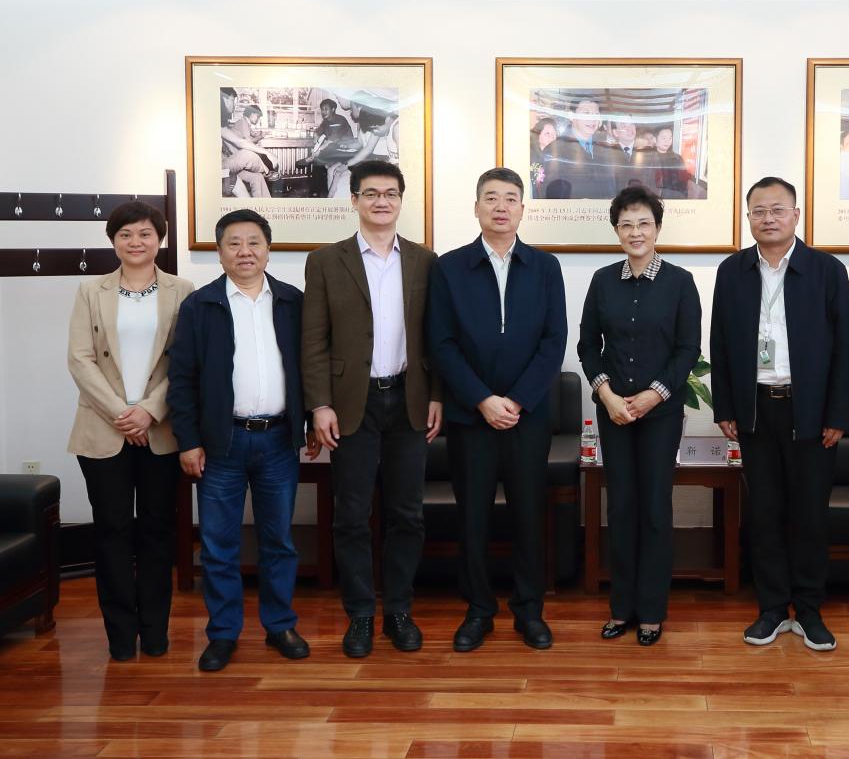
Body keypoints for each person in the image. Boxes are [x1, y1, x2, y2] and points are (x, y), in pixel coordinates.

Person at [302, 160, 444, 658]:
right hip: (349, 404)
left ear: (401, 201)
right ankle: (360, 614)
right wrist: (319, 404)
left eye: (390, 194)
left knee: (407, 514)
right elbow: (313, 341)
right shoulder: (325, 261)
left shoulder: (426, 261)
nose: (381, 201)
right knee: (351, 515)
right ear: (354, 200)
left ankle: (399, 611)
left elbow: (437, 336)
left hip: (408, 399)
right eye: (371, 194)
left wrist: (437, 394)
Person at [710, 177, 849, 651]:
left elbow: (848, 349)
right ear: (747, 217)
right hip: (755, 409)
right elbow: (720, 342)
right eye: (759, 211)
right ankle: (772, 608)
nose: (768, 218)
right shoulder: (732, 271)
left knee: (810, 514)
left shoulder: (826, 270)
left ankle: (809, 609)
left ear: (796, 215)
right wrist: (725, 406)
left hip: (810, 411)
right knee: (765, 513)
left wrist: (837, 413)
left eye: (777, 210)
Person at [428, 167, 567, 652]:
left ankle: (529, 611)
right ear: (476, 208)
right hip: (471, 415)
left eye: (510, 198)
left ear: (523, 209)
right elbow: (441, 343)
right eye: (491, 198)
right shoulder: (450, 267)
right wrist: (482, 399)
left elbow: (553, 341)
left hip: (529, 416)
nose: (501, 206)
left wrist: (518, 400)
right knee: (473, 517)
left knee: (529, 515)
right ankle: (478, 611)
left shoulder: (545, 267)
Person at [167, 209, 312, 672]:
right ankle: (223, 633)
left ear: (268, 249)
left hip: (278, 440)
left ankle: (280, 625)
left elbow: (310, 367)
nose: (244, 251)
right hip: (220, 443)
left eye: (253, 242)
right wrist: (189, 440)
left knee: (279, 541)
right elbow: (182, 379)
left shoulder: (292, 301)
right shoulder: (201, 305)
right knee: (218, 544)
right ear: (219, 252)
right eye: (234, 243)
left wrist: (310, 422)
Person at [66, 201, 194, 661]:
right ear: (113, 240)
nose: (135, 242)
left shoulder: (182, 290)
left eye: (144, 234)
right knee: (112, 530)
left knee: (158, 531)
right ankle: (120, 636)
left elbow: (185, 360)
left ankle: (155, 632)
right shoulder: (90, 290)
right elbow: (79, 359)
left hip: (160, 431)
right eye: (125, 234)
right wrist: (124, 413)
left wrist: (149, 412)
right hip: (104, 430)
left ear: (159, 239)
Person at [579, 186, 701, 646]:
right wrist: (607, 395)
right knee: (621, 507)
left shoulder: (680, 282)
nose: (635, 232)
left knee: (654, 508)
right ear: (617, 231)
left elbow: (688, 348)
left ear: (657, 228)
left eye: (643, 223)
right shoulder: (602, 281)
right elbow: (588, 346)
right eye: (626, 224)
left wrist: (654, 395)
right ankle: (621, 608)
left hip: (660, 414)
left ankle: (651, 611)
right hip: (613, 412)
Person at [542, 98, 618, 199]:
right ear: (571, 116)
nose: (592, 119)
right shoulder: (554, 150)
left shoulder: (605, 148)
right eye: (586, 113)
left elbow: (612, 188)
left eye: (596, 114)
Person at [220, 87, 271, 199]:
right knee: (249, 154)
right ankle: (267, 172)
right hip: (221, 165)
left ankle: (264, 206)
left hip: (229, 160)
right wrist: (262, 142)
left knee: (257, 177)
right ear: (222, 99)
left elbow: (243, 139)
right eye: (232, 100)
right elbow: (245, 142)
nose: (234, 105)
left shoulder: (226, 124)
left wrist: (258, 135)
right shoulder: (242, 122)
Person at [636, 126, 694, 199]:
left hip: (675, 198)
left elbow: (683, 182)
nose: (667, 141)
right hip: (654, 199)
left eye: (670, 138)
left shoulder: (677, 158)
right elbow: (644, 182)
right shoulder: (647, 158)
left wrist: (682, 198)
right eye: (664, 138)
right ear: (655, 139)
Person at [529, 117, 558, 195]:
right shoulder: (531, 157)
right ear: (538, 135)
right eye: (547, 133)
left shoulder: (553, 157)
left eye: (554, 133)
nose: (552, 137)